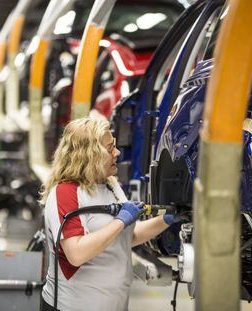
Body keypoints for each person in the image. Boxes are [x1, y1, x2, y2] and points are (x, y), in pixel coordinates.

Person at [40, 117, 182, 311]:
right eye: (109, 149)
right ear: (89, 155)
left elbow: (127, 237)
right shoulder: (65, 193)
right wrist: (120, 222)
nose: (117, 152)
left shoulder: (111, 186)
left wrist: (166, 220)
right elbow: (76, 253)